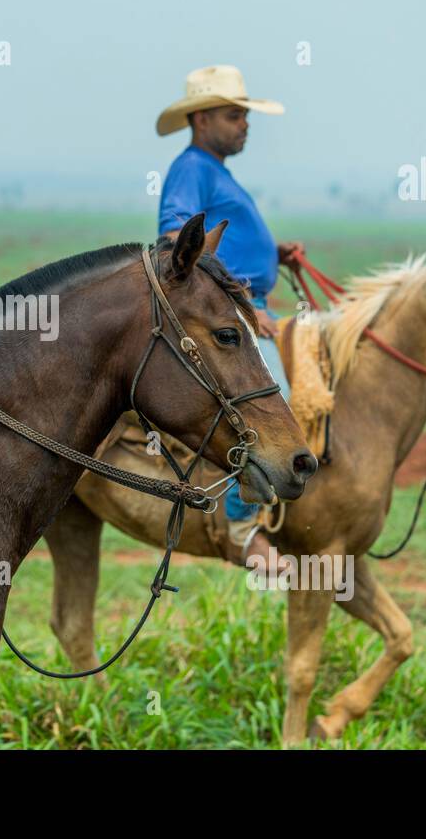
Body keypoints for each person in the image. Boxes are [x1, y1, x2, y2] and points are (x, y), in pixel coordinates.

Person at [155, 65, 301, 572]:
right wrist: (240, 304)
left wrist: (272, 253)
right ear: (201, 118)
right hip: (236, 314)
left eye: (245, 115)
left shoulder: (216, 169)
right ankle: (242, 527)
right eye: (235, 115)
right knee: (269, 398)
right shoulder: (192, 167)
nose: (245, 124)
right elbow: (178, 237)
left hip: (254, 305)